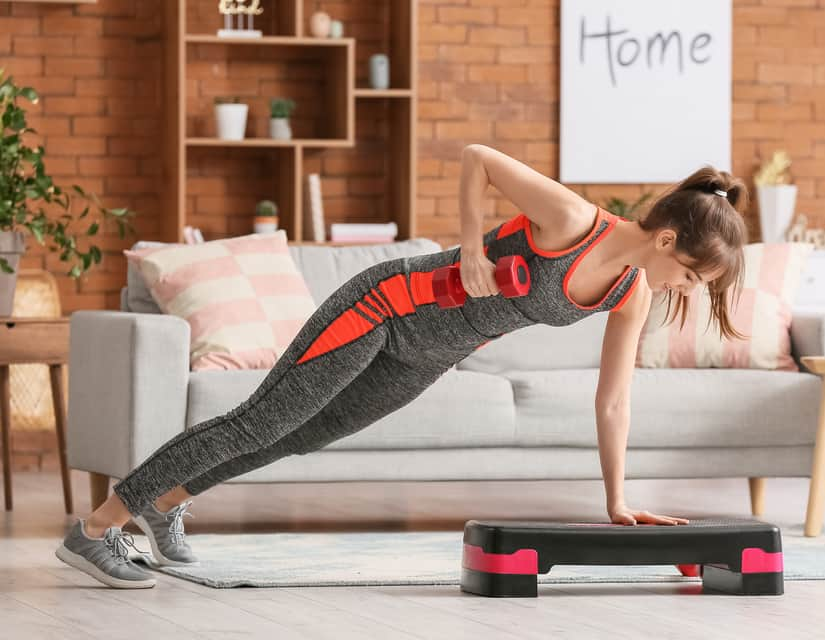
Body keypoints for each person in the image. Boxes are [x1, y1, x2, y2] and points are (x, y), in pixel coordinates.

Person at [55, 144, 749, 588]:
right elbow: (478, 157)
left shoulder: (629, 291)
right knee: (261, 418)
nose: (687, 291)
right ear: (665, 239)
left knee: (299, 434)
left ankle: (165, 504)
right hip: (385, 305)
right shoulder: (571, 220)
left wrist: (616, 500)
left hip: (430, 354)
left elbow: (614, 401)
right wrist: (472, 247)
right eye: (691, 276)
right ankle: (95, 529)